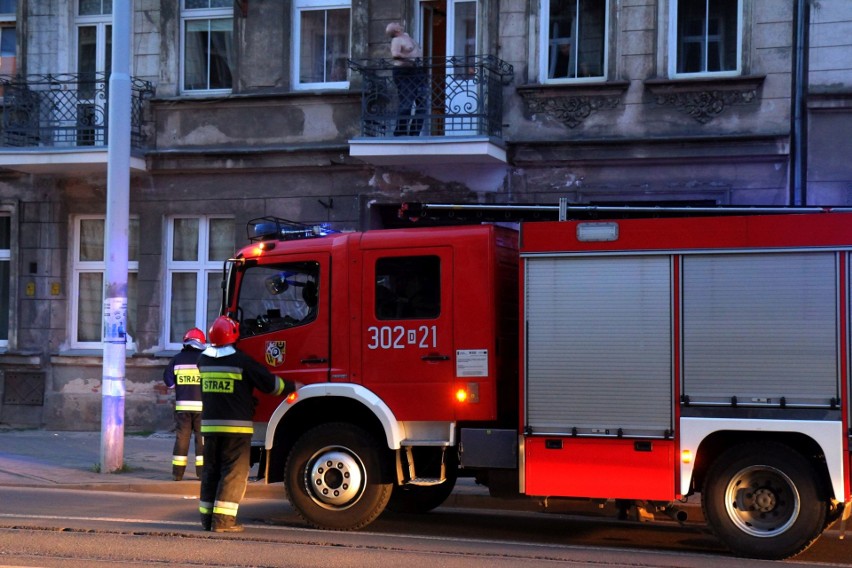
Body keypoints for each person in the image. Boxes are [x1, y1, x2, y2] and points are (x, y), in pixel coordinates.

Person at [197, 315, 298, 533]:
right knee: (233, 472)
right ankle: (223, 522)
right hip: (236, 429)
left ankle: (207, 520)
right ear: (234, 336)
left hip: (209, 428)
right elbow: (271, 385)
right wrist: (294, 386)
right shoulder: (241, 361)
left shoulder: (202, 361)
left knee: (210, 472)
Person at [162, 327, 206, 481]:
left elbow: (169, 382)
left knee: (182, 439)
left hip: (182, 408)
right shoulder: (205, 359)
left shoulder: (176, 359)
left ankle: (178, 474)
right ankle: (202, 474)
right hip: (202, 409)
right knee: (201, 440)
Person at [386, 22, 426, 136]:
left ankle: (414, 133)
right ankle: (400, 132)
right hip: (404, 72)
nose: (399, 23)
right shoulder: (397, 40)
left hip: (418, 72)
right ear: (396, 30)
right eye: (396, 24)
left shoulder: (406, 36)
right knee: (407, 103)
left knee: (423, 103)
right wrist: (411, 59)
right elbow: (395, 54)